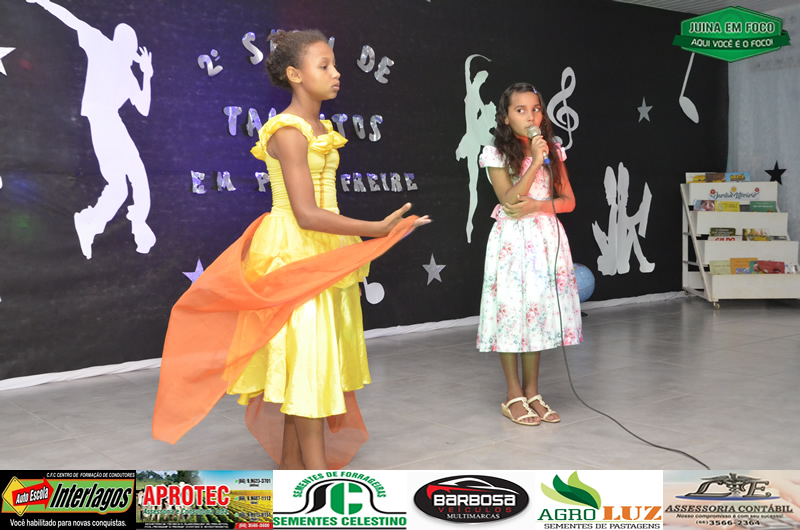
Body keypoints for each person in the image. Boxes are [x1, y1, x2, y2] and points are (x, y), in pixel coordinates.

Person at [152, 29, 429, 469]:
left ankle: (292, 468)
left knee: (312, 360)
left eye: (335, 65)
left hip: (326, 248)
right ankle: (314, 479)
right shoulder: (287, 131)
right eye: (325, 66)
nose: (336, 73)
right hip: (294, 250)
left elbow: (322, 210)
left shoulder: (322, 128)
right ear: (295, 75)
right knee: (308, 363)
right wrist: (376, 229)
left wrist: (365, 235)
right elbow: (305, 213)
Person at [477, 82, 582, 426]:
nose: (530, 116)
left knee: (535, 313)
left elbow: (568, 201)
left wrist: (538, 205)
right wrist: (535, 162)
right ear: (506, 117)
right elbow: (509, 200)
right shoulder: (495, 154)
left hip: (545, 239)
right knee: (512, 313)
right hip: (512, 241)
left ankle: (533, 392)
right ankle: (513, 395)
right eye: (520, 110)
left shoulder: (554, 150)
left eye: (535, 109)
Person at [27, 0, 156, 259]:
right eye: (129, 43)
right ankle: (97, 223)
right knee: (124, 182)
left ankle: (95, 223)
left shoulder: (129, 74)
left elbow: (143, 108)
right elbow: (72, 20)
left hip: (111, 123)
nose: (131, 49)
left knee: (128, 182)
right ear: (120, 41)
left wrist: (147, 74)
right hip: (102, 121)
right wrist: (44, 2)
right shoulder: (100, 44)